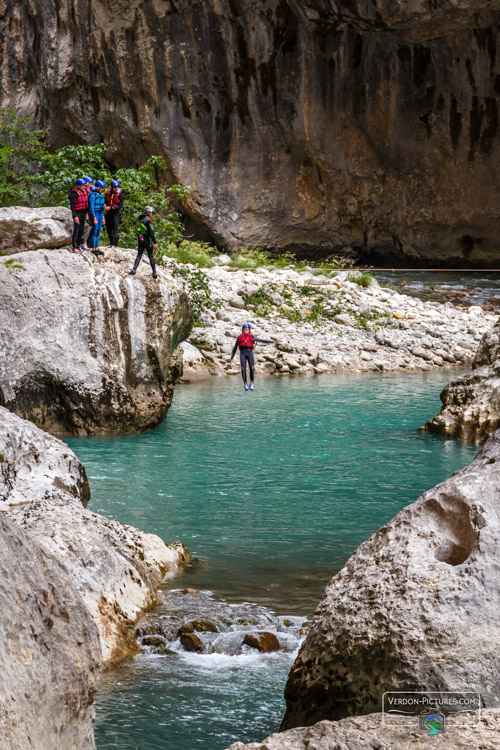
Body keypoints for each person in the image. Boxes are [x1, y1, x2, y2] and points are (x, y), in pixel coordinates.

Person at [230, 323, 274, 390]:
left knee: (252, 368)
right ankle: (245, 384)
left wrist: (273, 341)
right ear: (242, 330)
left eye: (247, 329)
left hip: (250, 354)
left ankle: (251, 383)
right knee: (243, 369)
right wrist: (232, 357)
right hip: (243, 354)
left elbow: (262, 340)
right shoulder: (239, 337)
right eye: (244, 329)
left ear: (249, 330)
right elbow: (235, 348)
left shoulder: (252, 337)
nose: (246, 330)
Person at [129, 207, 159, 279]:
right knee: (151, 256)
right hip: (147, 240)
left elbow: (134, 224)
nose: (152, 215)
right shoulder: (148, 221)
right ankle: (154, 273)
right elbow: (151, 233)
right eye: (152, 213)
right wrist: (155, 242)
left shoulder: (139, 218)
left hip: (140, 240)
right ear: (148, 212)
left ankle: (134, 269)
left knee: (139, 255)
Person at [69, 178, 89, 252]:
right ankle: (74, 247)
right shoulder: (74, 194)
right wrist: (75, 216)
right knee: (77, 229)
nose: (84, 187)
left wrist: (86, 213)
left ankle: (78, 245)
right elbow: (72, 206)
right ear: (78, 186)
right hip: (77, 213)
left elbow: (86, 204)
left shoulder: (85, 192)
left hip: (83, 213)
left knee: (81, 229)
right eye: (82, 186)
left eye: (84, 185)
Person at [87, 180, 106, 255]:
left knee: (98, 231)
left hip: (100, 214)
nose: (102, 189)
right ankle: (93, 248)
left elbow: (102, 208)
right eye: (101, 188)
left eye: (103, 188)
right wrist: (94, 217)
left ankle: (97, 247)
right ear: (97, 187)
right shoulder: (93, 195)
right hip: (95, 214)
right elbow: (91, 207)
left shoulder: (101, 195)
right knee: (94, 231)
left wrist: (103, 217)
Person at [105, 180, 125, 249]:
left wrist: (111, 207)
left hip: (115, 214)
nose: (116, 189)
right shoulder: (107, 193)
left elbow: (120, 206)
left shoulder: (120, 195)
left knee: (115, 230)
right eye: (114, 187)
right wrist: (104, 205)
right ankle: (111, 243)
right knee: (109, 229)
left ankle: (115, 245)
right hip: (108, 214)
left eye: (117, 187)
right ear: (112, 187)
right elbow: (105, 201)